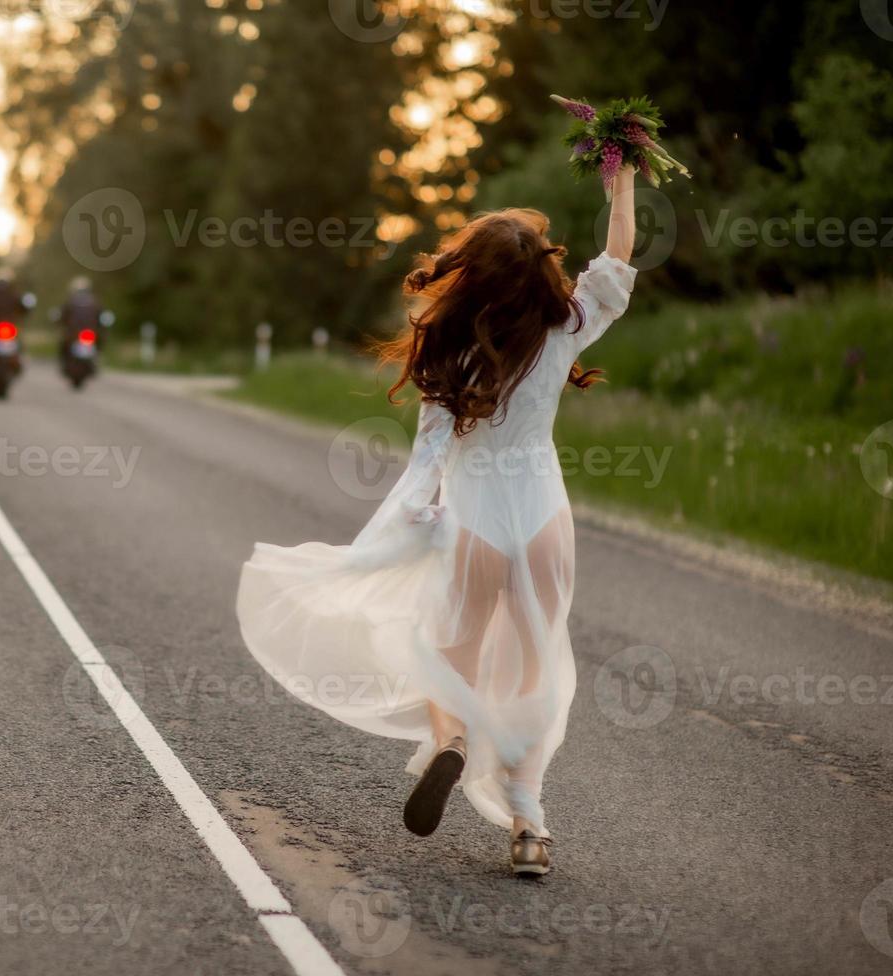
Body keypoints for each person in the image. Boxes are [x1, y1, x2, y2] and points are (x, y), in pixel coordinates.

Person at [236, 166, 638, 877]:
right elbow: (618, 258)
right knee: (532, 671)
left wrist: (414, 514)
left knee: (448, 653)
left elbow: (428, 456)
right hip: (543, 519)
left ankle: (450, 740)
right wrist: (623, 180)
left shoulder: (451, 349)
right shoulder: (565, 329)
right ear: (540, 276)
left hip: (475, 519)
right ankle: (530, 828)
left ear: (473, 278)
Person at [56, 277, 103, 368]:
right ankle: (97, 357)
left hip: (75, 332)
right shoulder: (95, 301)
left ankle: (63, 361)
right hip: (87, 331)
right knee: (100, 339)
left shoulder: (70, 301)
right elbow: (101, 316)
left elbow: (62, 315)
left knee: (63, 342)